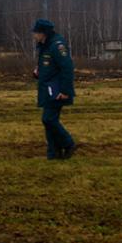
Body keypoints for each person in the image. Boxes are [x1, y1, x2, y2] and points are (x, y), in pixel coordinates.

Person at [31, 19, 77, 160]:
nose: (34, 35)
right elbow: (49, 65)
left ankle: (68, 143)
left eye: (36, 32)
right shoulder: (45, 46)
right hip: (47, 89)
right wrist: (39, 71)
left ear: (43, 33)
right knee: (49, 121)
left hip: (57, 91)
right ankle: (54, 153)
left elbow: (67, 68)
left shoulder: (57, 46)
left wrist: (65, 91)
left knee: (48, 120)